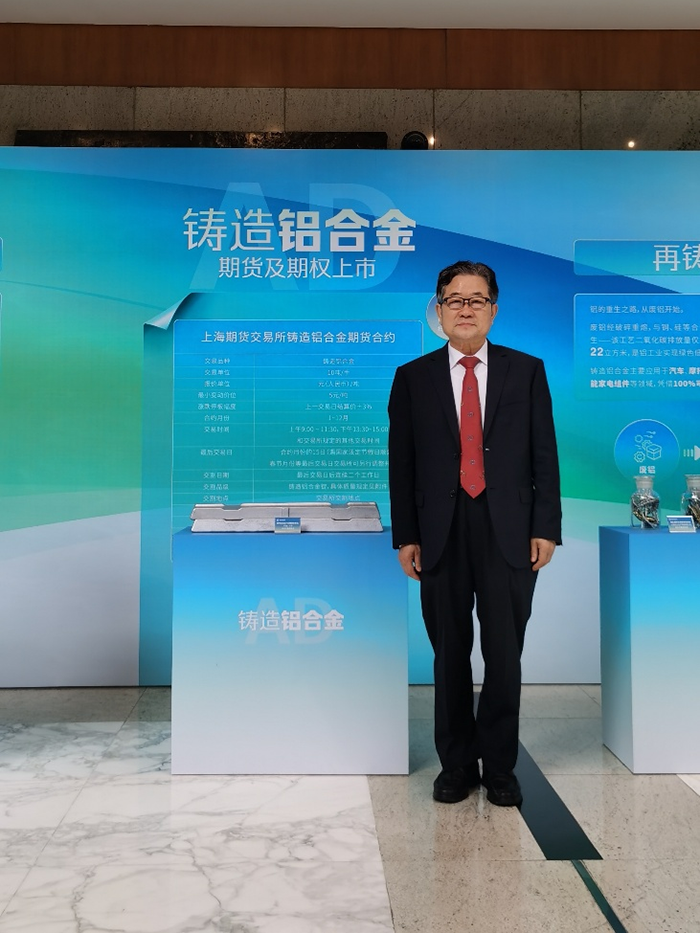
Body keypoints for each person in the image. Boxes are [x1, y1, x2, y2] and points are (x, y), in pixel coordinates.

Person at [388, 260, 561, 807]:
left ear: (494, 309)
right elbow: (402, 463)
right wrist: (406, 535)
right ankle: (457, 764)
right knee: (449, 652)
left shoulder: (526, 370)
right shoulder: (412, 377)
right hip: (438, 530)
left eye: (477, 299)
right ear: (439, 310)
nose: (466, 309)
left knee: (505, 652)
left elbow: (544, 454)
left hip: (509, 527)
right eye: (455, 299)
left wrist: (546, 526)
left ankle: (501, 767)